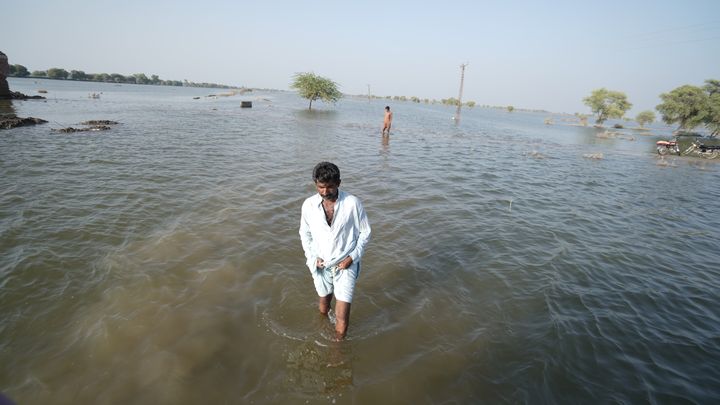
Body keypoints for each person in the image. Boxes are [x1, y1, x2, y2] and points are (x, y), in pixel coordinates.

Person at [299, 162, 371, 340]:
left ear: (339, 183)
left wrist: (352, 257)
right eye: (320, 187)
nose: (325, 192)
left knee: (342, 314)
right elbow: (304, 233)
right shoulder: (308, 205)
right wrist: (312, 257)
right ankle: (320, 329)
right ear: (315, 184)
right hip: (320, 263)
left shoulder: (353, 203)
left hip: (345, 264)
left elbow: (365, 232)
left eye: (330, 186)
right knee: (323, 303)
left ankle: (337, 353)